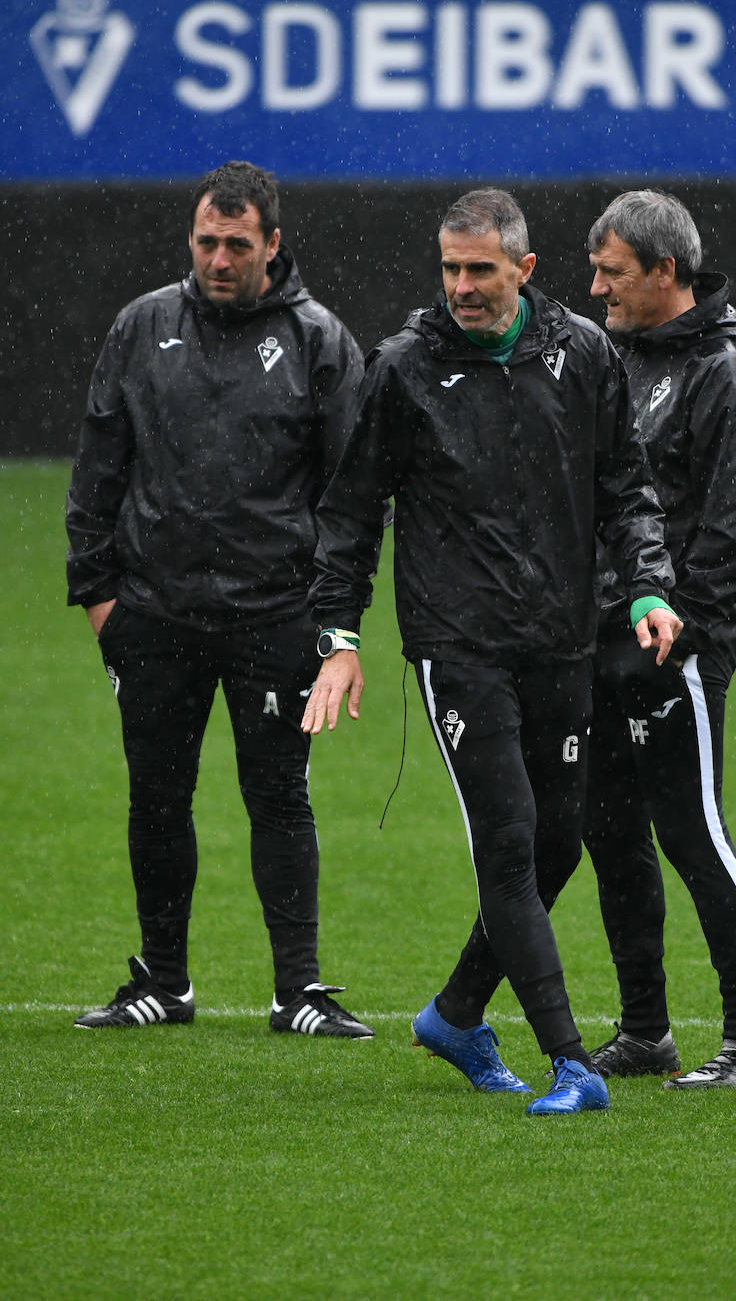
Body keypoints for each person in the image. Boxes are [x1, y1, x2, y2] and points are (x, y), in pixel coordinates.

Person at [301, 188, 682, 1115]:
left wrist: (647, 584)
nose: (462, 287)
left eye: (480, 269)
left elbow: (626, 488)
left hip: (559, 643)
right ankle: (572, 1064)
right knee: (510, 844)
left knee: (559, 847)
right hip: (459, 647)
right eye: (449, 268)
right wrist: (338, 639)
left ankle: (457, 1013)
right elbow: (352, 514)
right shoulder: (402, 369)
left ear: (524, 269)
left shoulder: (583, 356)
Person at [66, 160, 374, 1039]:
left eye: (238, 244)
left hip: (274, 616)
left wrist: (331, 622)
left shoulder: (320, 342)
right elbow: (97, 470)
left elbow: (351, 498)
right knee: (154, 798)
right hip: (153, 615)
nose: (220, 258)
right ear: (191, 238)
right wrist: (100, 602)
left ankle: (299, 993)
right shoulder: (141, 328)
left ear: (273, 245)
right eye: (207, 241)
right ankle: (162, 980)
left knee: (278, 798)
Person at [583, 189, 736, 1088]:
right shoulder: (615, 358)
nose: (597, 290)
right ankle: (645, 1030)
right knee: (611, 833)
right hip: (600, 640)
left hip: (676, 651)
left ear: (668, 272)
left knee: (690, 832)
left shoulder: (726, 375)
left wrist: (678, 634)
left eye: (613, 272)